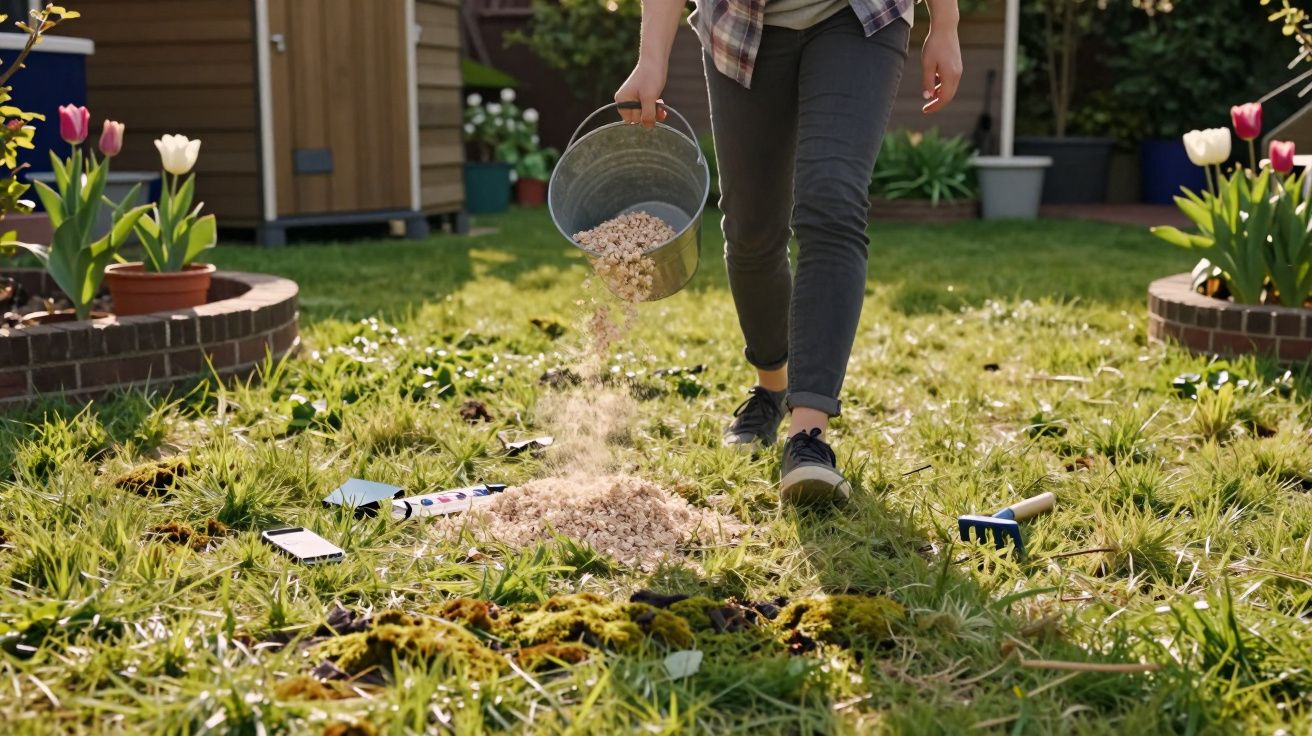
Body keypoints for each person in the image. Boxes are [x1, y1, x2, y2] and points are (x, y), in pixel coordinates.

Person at [615, 0, 963, 505]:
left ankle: (808, 435)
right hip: (741, 27)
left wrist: (945, 23)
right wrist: (651, 60)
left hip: (859, 16)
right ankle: (770, 388)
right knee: (752, 226)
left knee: (832, 201)